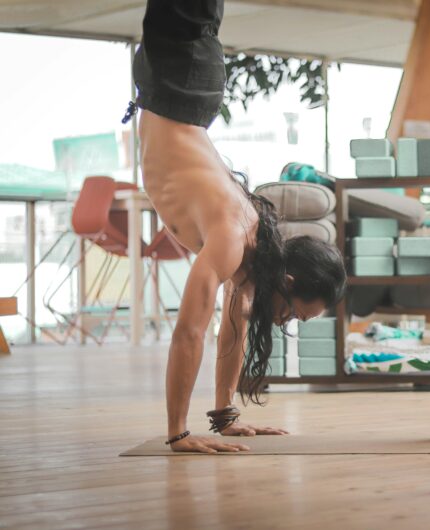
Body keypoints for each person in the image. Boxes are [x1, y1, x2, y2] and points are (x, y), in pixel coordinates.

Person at [124, 0, 346, 453]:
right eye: (295, 313)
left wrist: (225, 418)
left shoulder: (253, 267)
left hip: (182, 88)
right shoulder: (231, 238)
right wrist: (179, 434)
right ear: (287, 282)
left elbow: (233, 328)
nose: (287, 322)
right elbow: (188, 331)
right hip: (179, 79)